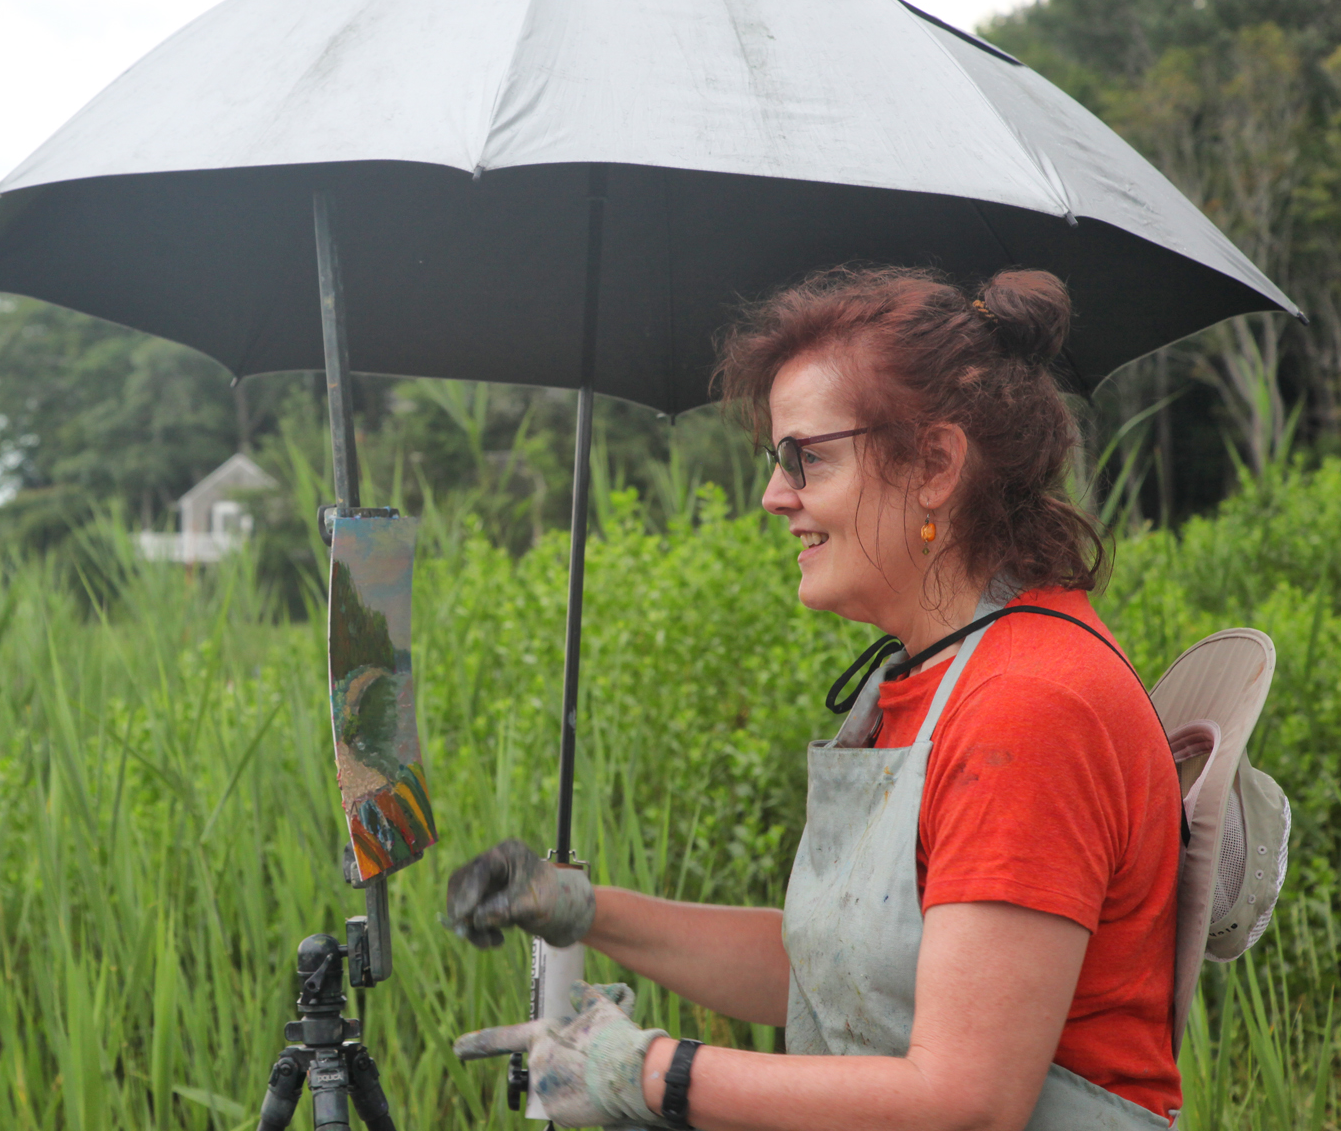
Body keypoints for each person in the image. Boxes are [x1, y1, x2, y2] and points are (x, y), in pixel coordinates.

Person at [445, 267, 1182, 1131]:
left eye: (809, 458)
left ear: (936, 464)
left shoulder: (1026, 704)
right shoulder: (933, 674)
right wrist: (583, 909)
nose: (774, 496)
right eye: (777, 460)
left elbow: (968, 1099)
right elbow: (839, 969)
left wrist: (652, 1074)